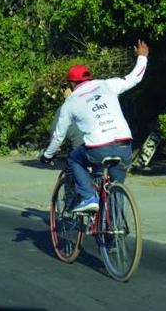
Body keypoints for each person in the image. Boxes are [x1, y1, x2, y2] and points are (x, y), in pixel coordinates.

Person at [40, 39, 149, 213]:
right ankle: (116, 230)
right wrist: (142, 57)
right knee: (115, 187)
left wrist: (47, 155)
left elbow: (58, 136)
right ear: (89, 78)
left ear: (71, 84)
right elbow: (134, 78)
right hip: (124, 145)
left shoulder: (71, 101)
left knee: (75, 159)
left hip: (97, 148)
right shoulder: (107, 84)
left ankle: (89, 197)